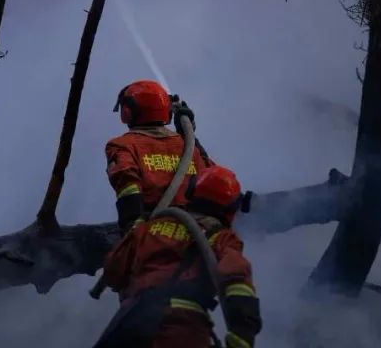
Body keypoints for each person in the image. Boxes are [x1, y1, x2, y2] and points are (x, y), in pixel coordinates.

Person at [94, 165, 262, 348]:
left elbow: (113, 271)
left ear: (191, 193)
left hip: (130, 322)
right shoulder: (221, 237)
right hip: (180, 328)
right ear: (231, 208)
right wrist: (241, 338)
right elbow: (237, 280)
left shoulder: (148, 227)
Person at [105, 80, 217, 231]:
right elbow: (213, 176)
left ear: (127, 112)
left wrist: (134, 230)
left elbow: (128, 187)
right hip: (197, 230)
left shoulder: (122, 145)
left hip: (155, 230)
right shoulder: (186, 144)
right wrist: (188, 135)